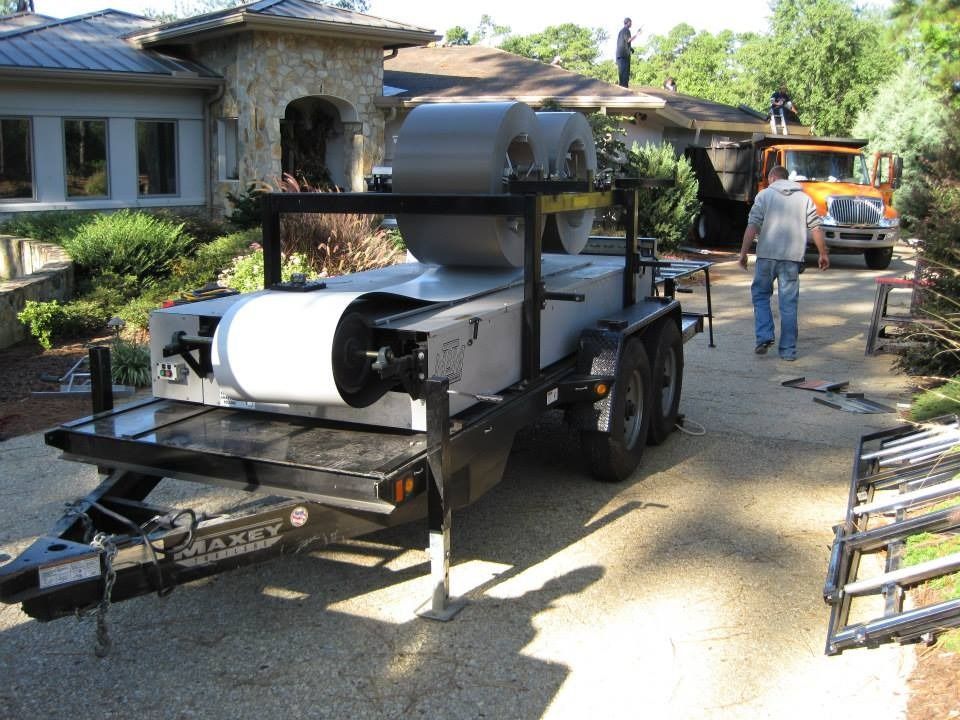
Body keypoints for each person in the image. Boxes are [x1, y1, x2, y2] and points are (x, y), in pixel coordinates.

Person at [738, 165, 829, 361]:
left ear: (772, 178)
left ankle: (764, 336)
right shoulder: (804, 199)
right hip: (792, 258)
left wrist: (743, 253)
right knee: (788, 304)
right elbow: (816, 227)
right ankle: (788, 351)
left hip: (767, 256)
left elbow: (752, 225)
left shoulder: (764, 196)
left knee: (760, 295)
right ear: (787, 179)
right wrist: (823, 254)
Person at [616, 17, 641, 88]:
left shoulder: (621, 31)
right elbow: (628, 40)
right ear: (628, 22)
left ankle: (622, 88)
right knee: (625, 74)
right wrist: (637, 34)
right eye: (631, 22)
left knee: (622, 74)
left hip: (620, 55)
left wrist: (630, 48)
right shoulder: (626, 30)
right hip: (624, 56)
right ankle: (624, 89)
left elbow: (622, 43)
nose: (631, 24)